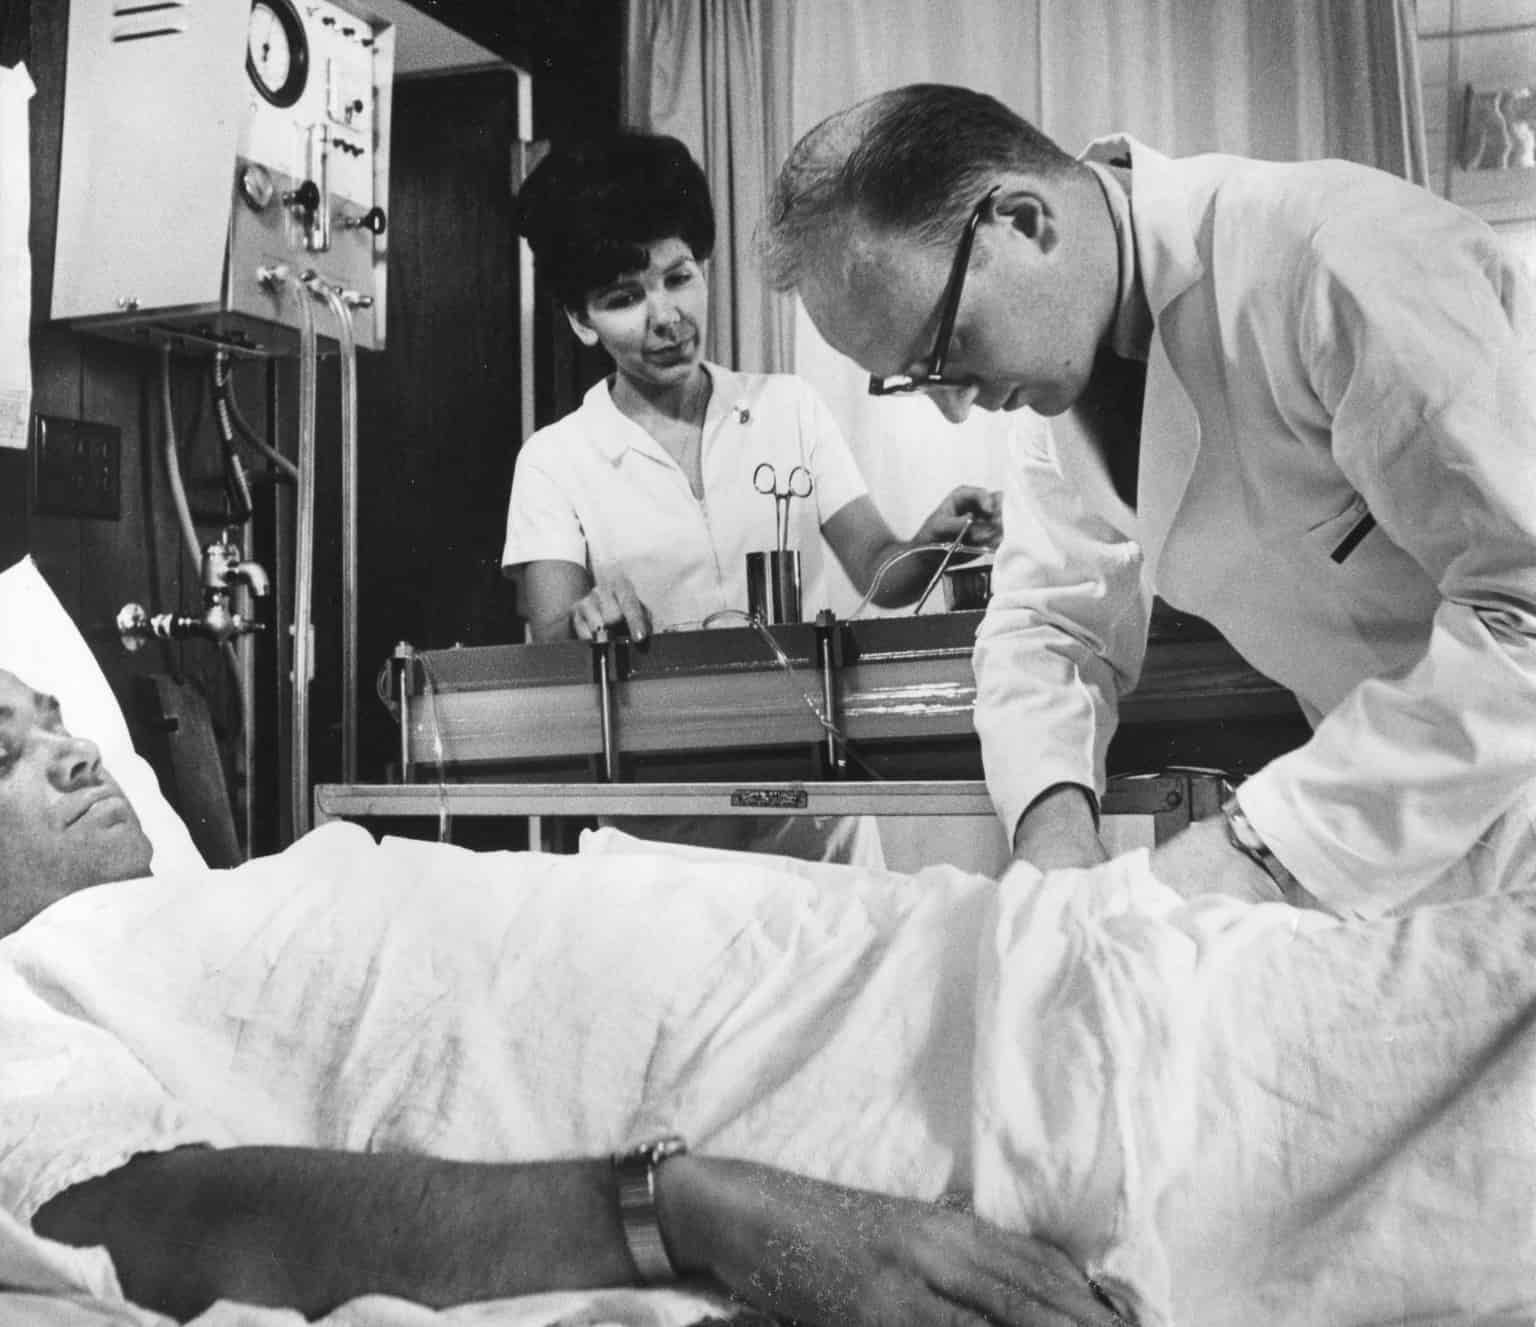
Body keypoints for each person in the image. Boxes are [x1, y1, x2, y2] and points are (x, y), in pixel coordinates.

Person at [5, 666, 1536, 1326]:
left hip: (985, 968)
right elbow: (154, 1223)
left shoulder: (206, 903)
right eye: (6, 747)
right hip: (939, 1105)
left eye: (52, 712)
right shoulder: (23, 994)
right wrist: (693, 1210)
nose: (73, 746)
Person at [758, 82, 1536, 918]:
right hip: (1390, 838)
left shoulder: (1333, 255)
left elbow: (1524, 607)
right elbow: (1046, 625)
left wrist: (1255, 851)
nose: (955, 405)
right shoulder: (1053, 383)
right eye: (915, 381)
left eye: (946, 349)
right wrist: (1055, 841)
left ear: (1024, 222)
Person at [502, 131, 1002, 866]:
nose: (665, 317)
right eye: (623, 298)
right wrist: (586, 617)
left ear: (704, 268)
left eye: (678, 277)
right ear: (581, 320)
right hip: (659, 839)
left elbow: (879, 569)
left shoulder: (789, 410)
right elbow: (551, 644)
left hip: (816, 827)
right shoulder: (554, 460)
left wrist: (934, 539)